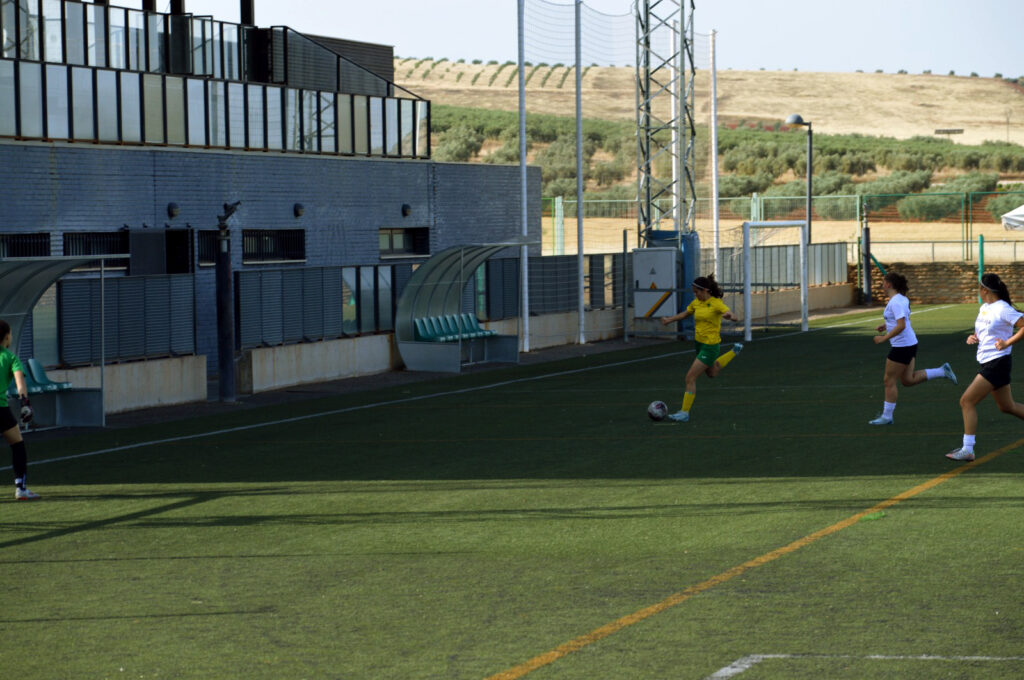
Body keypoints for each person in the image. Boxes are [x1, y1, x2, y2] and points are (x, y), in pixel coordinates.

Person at [946, 273, 1024, 462]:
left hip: (997, 362)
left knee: (967, 401)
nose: (978, 291)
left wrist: (1007, 342)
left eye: (979, 288)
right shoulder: (984, 308)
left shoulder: (1003, 309)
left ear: (985, 290)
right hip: (989, 361)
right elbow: (982, 329)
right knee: (1007, 406)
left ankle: (968, 449)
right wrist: (974, 337)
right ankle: (967, 449)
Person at [869, 272, 957, 425]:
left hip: (902, 346)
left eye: (884, 282)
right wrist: (886, 325)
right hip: (909, 344)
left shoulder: (896, 301)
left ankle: (887, 416)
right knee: (908, 380)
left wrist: (883, 338)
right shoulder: (901, 299)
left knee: (888, 380)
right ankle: (942, 371)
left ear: (889, 284)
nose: (882, 285)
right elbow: (901, 320)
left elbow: (902, 325)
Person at [660, 274, 743, 422]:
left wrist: (730, 316)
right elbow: (686, 313)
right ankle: (733, 352)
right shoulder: (696, 303)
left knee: (690, 377)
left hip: (710, 346)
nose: (695, 294)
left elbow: (734, 316)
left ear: (705, 290)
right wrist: (669, 320)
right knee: (712, 373)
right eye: (694, 292)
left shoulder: (716, 303)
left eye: (697, 292)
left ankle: (684, 412)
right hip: (699, 344)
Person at [0, 320, 39, 500]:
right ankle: (21, 489)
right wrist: (25, 403)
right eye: (11, 334)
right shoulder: (10, 357)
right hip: (0, 411)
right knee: (17, 445)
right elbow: (20, 384)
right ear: (7, 336)